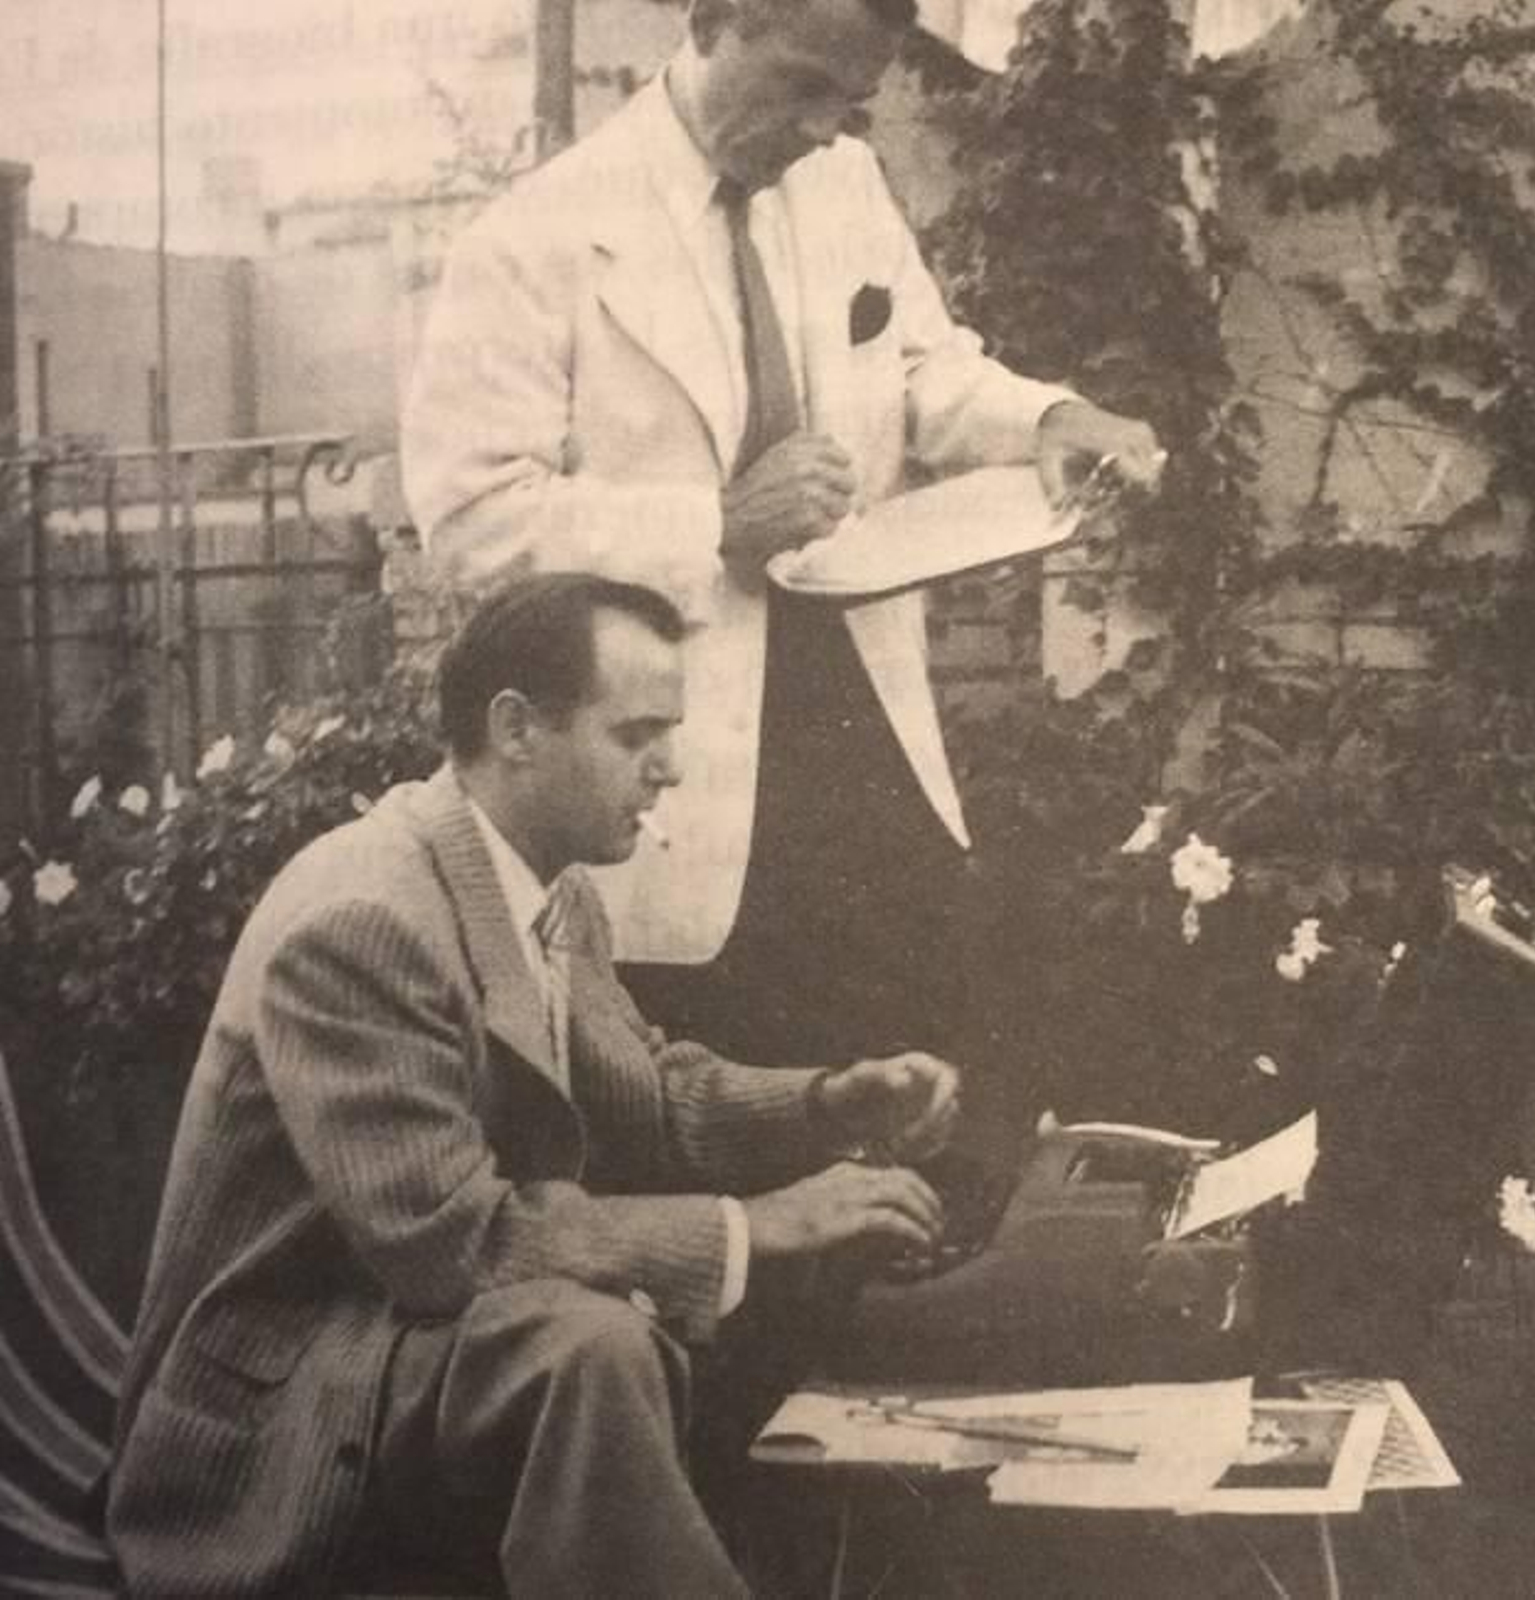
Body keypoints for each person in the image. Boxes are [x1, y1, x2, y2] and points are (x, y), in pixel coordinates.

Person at [106, 574, 960, 1599]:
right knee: (585, 1345)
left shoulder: (543, 886)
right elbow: (452, 1246)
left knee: (659, 1314)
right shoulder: (363, 917)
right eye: (637, 732)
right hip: (282, 1412)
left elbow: (648, 1094)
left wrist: (827, 1103)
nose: (672, 767)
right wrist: (754, 1224)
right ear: (516, 728)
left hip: (410, 1356)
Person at [403, 0, 1166, 1068]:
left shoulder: (844, 185)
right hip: (672, 767)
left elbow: (920, 369)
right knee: (722, 1097)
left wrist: (1048, 415)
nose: (823, 128)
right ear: (717, 20)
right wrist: (712, 528)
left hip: (862, 732)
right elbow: (472, 519)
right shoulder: (535, 238)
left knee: (910, 1074)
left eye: (851, 102)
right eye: (804, 87)